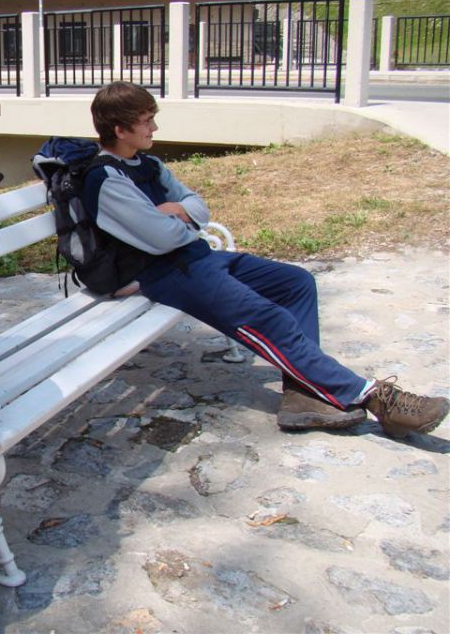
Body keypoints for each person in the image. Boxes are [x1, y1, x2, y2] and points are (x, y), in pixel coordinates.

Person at [82, 81, 449, 438]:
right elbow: (162, 239)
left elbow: (199, 207)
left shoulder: (149, 164)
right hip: (166, 275)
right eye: (147, 120)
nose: (155, 127)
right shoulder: (106, 179)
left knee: (296, 282)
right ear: (120, 129)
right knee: (266, 317)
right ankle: (377, 398)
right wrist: (181, 222)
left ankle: (304, 395)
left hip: (197, 259)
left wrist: (178, 211)